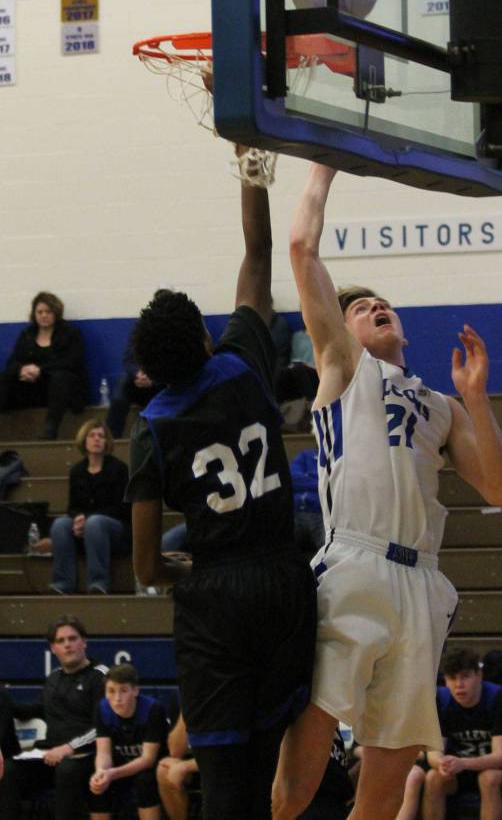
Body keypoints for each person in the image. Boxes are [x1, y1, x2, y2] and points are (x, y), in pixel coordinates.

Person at [272, 163, 502, 820]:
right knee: (294, 785)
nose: (372, 306)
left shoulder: (439, 403)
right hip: (351, 563)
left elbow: (499, 486)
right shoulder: (342, 367)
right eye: (356, 307)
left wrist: (475, 398)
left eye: (380, 303)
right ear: (339, 330)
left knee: (380, 797)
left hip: (421, 584)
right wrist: (322, 164)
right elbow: (300, 247)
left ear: (402, 328)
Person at [126, 150, 318, 820]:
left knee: (223, 783)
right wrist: (248, 162)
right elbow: (258, 255)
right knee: (267, 774)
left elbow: (148, 564)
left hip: (216, 600)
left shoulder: (151, 427)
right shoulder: (242, 360)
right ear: (203, 339)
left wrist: (188, 569)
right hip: (284, 580)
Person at [0, 614, 107, 820]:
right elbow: (33, 710)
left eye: (72, 639)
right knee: (11, 770)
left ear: (84, 642)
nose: (67, 645)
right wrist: (3, 699)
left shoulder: (100, 676)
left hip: (87, 756)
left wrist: (69, 748)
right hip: (49, 755)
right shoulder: (54, 678)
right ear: (53, 648)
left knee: (67, 770)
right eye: (61, 641)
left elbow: (103, 727)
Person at [421, 646, 502, 820]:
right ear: (445, 680)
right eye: (452, 678)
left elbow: (500, 757)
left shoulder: (500, 698)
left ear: (479, 675)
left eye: (465, 677)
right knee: (433, 777)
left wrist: (463, 763)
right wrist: (442, 763)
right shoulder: (440, 699)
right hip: (458, 768)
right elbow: (434, 752)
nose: (459, 685)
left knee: (488, 778)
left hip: (495, 767)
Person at [49, 418, 131, 594]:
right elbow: (72, 507)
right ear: (84, 441)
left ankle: (98, 583)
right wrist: (78, 519)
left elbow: (123, 509)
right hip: (89, 526)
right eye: (92, 436)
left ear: (107, 442)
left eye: (101, 436)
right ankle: (63, 583)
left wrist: (87, 519)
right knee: (60, 525)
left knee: (95, 522)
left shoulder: (119, 469)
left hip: (117, 530)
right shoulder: (77, 471)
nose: (96, 439)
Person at [0, 291, 89, 439]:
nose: (43, 315)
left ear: (56, 312)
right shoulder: (28, 334)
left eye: (48, 311)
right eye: (39, 312)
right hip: (34, 388)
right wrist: (22, 370)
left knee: (61, 377)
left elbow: (72, 361)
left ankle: (50, 429)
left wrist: (40, 370)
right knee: (5, 376)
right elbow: (12, 362)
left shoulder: (70, 333)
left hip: (63, 390)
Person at [89, 662, 168, 820]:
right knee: (97, 786)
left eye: (123, 691)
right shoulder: (102, 709)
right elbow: (103, 753)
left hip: (152, 767)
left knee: (144, 782)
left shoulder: (153, 709)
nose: (117, 698)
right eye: (111, 691)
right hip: (119, 766)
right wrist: (101, 772)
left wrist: (112, 774)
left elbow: (148, 759)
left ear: (135, 691)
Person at [157, 711, 201, 820]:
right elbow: (176, 751)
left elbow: (227, 756)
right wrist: (186, 709)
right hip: (200, 761)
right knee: (164, 770)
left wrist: (186, 766)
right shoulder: (183, 699)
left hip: (230, 762)